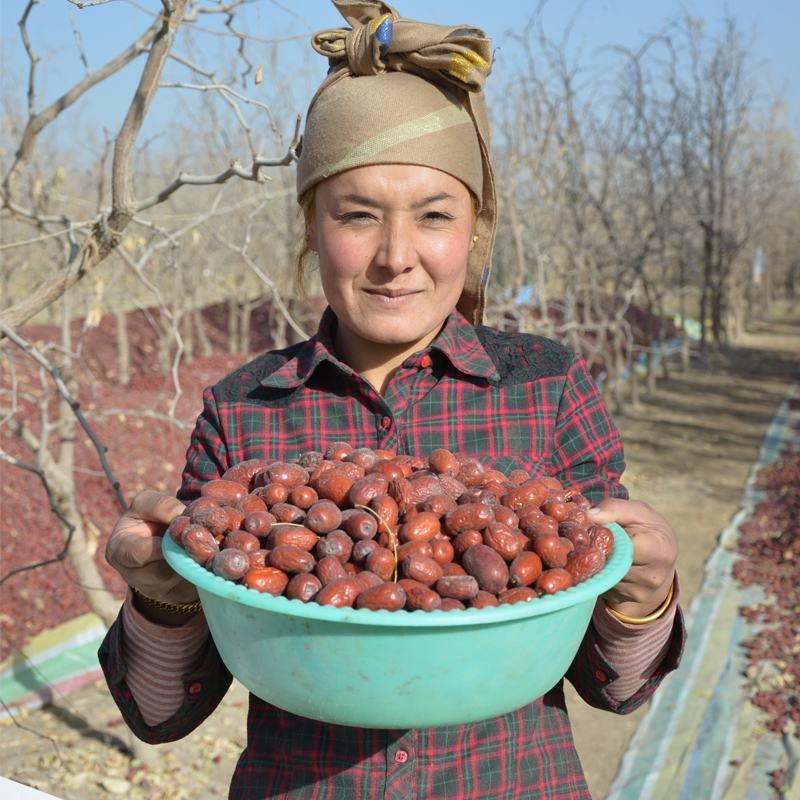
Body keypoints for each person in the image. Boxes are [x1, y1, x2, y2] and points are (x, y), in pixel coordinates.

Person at [100, 2, 684, 798]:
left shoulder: (547, 388)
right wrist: (162, 598)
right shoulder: (244, 410)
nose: (395, 257)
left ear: (474, 232)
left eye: (435, 215)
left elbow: (617, 688)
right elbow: (160, 715)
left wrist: (643, 598)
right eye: (357, 215)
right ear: (311, 224)